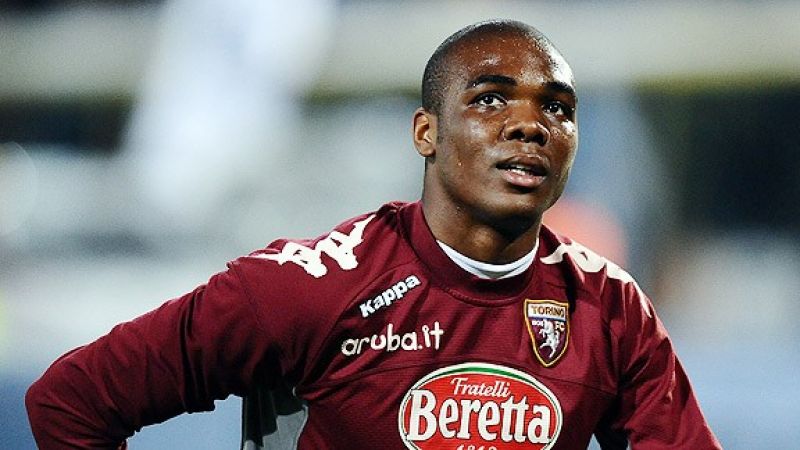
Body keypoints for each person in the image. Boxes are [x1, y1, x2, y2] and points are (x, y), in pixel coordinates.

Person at [26, 20, 722, 449]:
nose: (529, 126)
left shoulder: (610, 310)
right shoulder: (307, 290)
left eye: (558, 109)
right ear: (426, 132)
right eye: (489, 100)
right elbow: (72, 402)